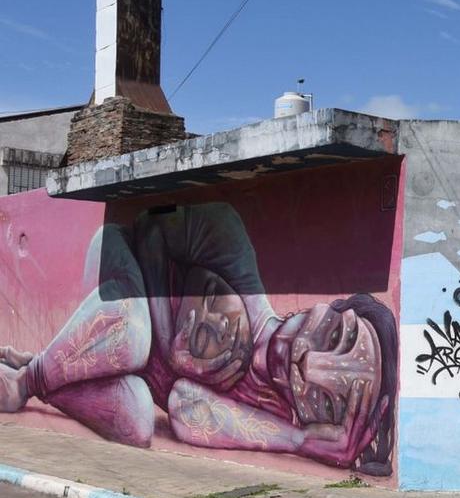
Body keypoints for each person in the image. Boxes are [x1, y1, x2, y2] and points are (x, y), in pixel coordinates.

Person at [0, 202, 396, 475]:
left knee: (138, 424)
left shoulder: (272, 414)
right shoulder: (231, 242)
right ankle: (26, 381)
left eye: (328, 402)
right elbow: (150, 229)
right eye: (336, 336)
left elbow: (185, 409)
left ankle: (44, 373)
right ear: (333, 306)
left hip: (117, 362)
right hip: (118, 279)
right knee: (135, 333)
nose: (310, 365)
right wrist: (167, 336)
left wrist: (298, 440)